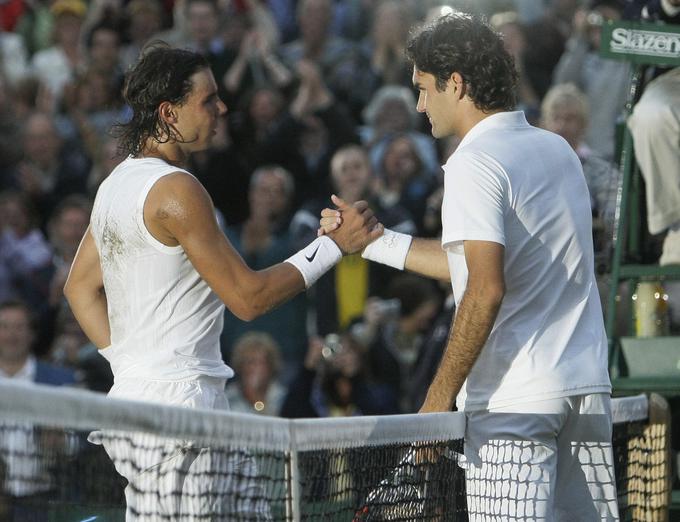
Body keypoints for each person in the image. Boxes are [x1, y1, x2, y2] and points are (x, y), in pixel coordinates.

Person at [63, 43, 382, 521]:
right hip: (182, 421)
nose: (222, 108)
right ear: (169, 113)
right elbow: (248, 299)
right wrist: (333, 247)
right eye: (208, 100)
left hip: (165, 412)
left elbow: (78, 290)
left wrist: (134, 364)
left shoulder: (115, 185)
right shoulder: (178, 190)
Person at [321, 14, 616, 520]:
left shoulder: (473, 162)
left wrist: (437, 401)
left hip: (514, 403)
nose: (418, 104)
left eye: (422, 88)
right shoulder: (557, 150)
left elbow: (483, 288)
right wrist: (374, 243)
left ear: (454, 83)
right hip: (585, 393)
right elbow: (478, 263)